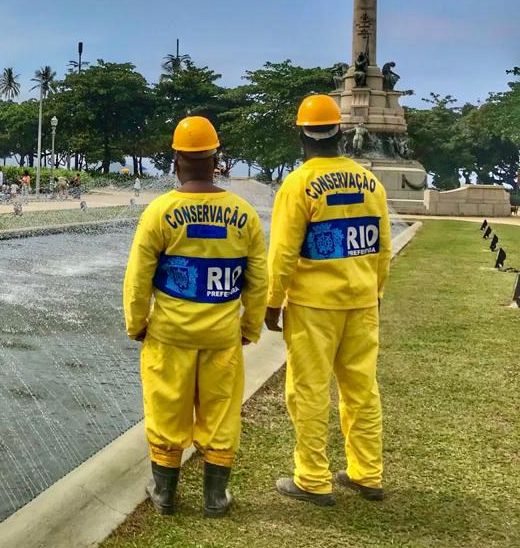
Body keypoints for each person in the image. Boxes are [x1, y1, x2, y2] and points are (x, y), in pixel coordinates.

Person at [123, 116, 267, 518]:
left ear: (176, 161)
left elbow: (138, 278)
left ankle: (166, 496)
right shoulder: (244, 213)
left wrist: (137, 323)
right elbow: (258, 282)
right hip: (222, 337)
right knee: (221, 413)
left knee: (167, 410)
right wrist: (249, 327)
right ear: (216, 158)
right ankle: (215, 498)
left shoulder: (160, 211)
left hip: (169, 336)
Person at [265, 94, 392, 506]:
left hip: (314, 306)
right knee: (361, 389)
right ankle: (367, 474)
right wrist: (376, 292)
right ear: (340, 131)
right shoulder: (370, 181)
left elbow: (284, 252)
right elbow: (382, 248)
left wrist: (271, 301)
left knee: (309, 391)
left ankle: (313, 479)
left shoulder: (299, 183)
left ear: (303, 134)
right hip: (361, 301)